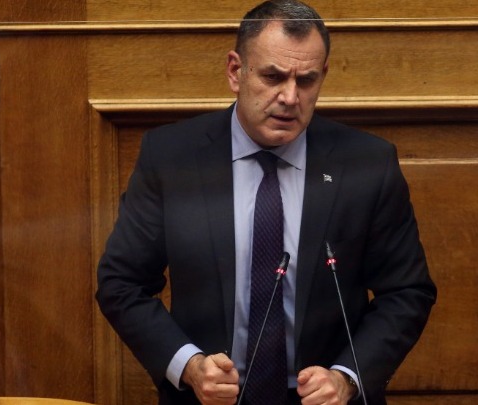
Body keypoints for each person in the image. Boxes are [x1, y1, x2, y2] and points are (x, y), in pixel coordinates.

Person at [95, 1, 437, 404]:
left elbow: (406, 292)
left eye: (306, 80)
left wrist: (347, 377)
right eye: (273, 76)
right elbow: (122, 283)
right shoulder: (171, 157)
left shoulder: (367, 163)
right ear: (235, 71)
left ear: (323, 76)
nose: (290, 97)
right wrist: (189, 366)